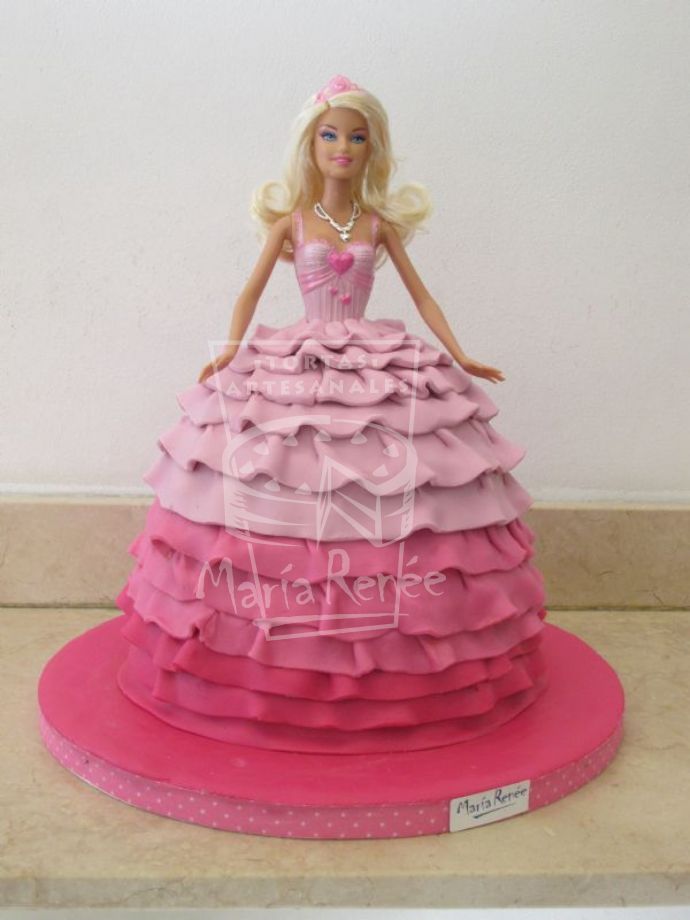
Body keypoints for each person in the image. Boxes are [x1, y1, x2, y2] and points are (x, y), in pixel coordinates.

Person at [198, 74, 505, 386]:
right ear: (311, 144)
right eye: (329, 135)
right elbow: (250, 293)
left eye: (357, 138)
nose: (343, 146)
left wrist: (460, 355)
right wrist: (230, 348)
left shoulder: (377, 227)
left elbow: (422, 298)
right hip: (309, 353)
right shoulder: (290, 225)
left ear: (370, 149)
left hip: (365, 352)